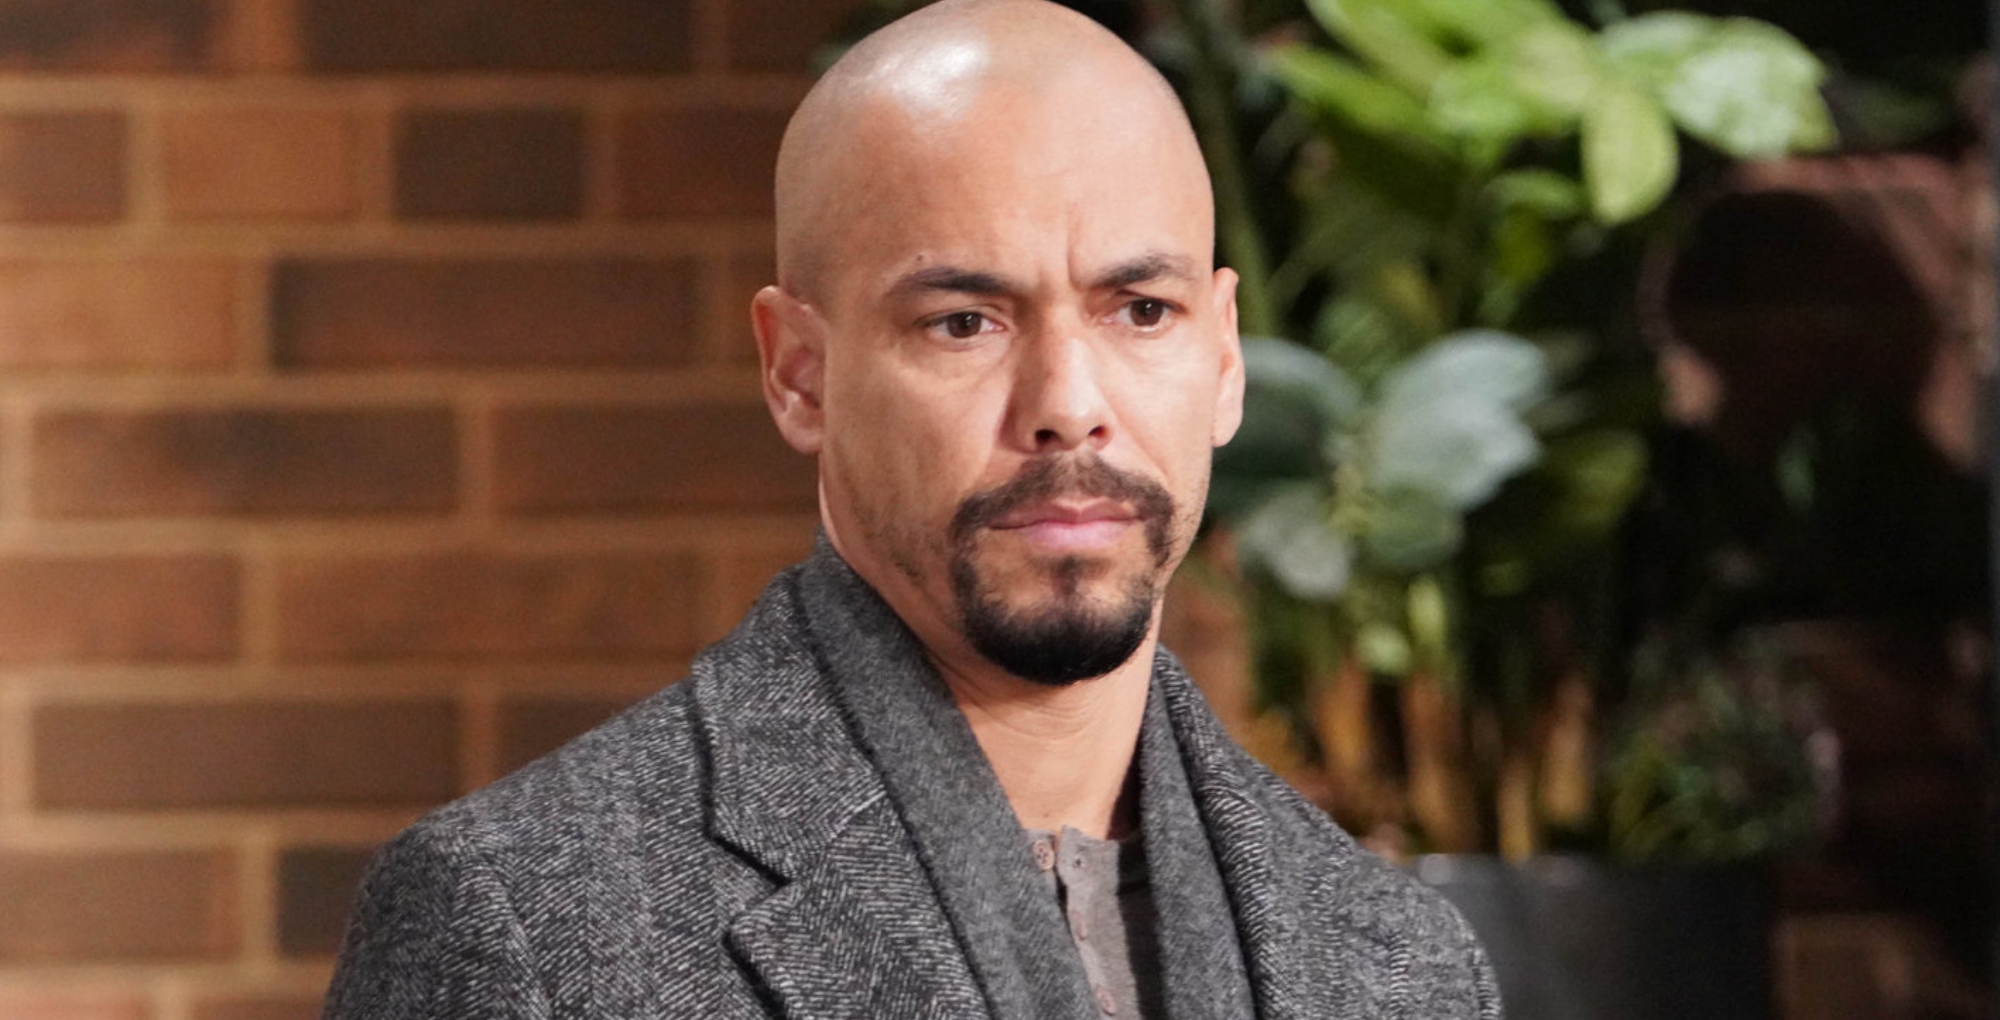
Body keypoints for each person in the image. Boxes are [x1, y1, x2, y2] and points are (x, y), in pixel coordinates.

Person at [322, 1, 1499, 1017]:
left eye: (1140, 311)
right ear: (798, 373)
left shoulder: (1403, 961)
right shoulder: (528, 921)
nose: (1067, 406)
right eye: (962, 323)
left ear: (1225, 358)